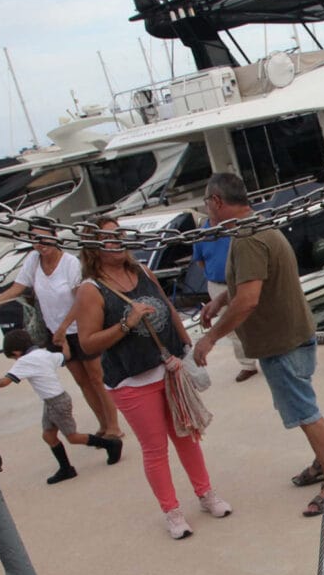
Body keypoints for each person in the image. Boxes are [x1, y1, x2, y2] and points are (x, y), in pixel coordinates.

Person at [71, 217, 231, 540]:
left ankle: (205, 494)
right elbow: (87, 343)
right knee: (155, 448)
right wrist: (126, 324)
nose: (117, 240)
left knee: (187, 436)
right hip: (132, 381)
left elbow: (169, 309)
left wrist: (187, 346)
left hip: (168, 369)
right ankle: (172, 511)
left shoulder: (143, 271)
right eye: (108, 237)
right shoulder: (91, 290)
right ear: (94, 248)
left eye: (119, 234)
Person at [192, 172, 324, 517]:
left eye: (206, 203)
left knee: (305, 412)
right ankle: (322, 462)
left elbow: (248, 300)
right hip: (291, 335)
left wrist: (210, 339)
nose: (206, 210)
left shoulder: (247, 238)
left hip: (282, 342)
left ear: (217, 201)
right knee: (304, 407)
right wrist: (219, 300)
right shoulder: (257, 226)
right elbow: (252, 281)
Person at [0, 223, 123, 438]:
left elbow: (81, 300)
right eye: (35, 240)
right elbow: (17, 288)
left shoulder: (70, 263)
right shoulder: (33, 260)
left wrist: (63, 327)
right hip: (57, 332)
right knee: (82, 381)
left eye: (44, 238)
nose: (40, 245)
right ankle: (103, 424)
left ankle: (114, 425)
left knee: (97, 379)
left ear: (55, 236)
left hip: (80, 328)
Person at [0, 329, 123, 484]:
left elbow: (5, 381)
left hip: (56, 403)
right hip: (54, 402)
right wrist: (64, 342)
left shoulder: (24, 361)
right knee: (48, 436)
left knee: (73, 437)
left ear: (16, 353)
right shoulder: (44, 354)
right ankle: (66, 468)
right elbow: (65, 356)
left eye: (13, 358)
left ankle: (110, 445)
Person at [192, 225, 259, 383]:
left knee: (258, 318)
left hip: (245, 281)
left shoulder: (235, 227)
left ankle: (270, 354)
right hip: (217, 285)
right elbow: (200, 261)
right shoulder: (201, 234)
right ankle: (247, 365)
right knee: (232, 328)